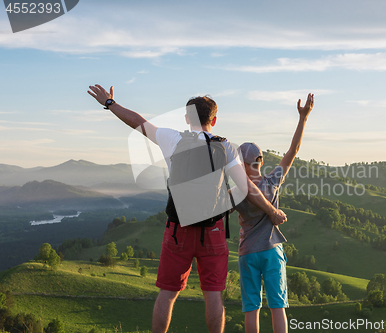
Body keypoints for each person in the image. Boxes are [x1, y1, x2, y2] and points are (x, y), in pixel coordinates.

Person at [87, 84, 287, 333]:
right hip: (212, 232)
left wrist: (110, 104)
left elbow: (137, 121)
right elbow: (247, 188)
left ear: (187, 118)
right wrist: (271, 211)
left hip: (177, 230)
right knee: (213, 295)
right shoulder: (225, 147)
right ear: (214, 119)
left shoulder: (172, 139)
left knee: (168, 294)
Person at [235, 93, 314, 333]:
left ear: (242, 164)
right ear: (260, 161)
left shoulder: (236, 192)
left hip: (247, 252)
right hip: (271, 250)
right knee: (277, 307)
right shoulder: (272, 182)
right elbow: (293, 150)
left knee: (252, 308)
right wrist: (303, 118)